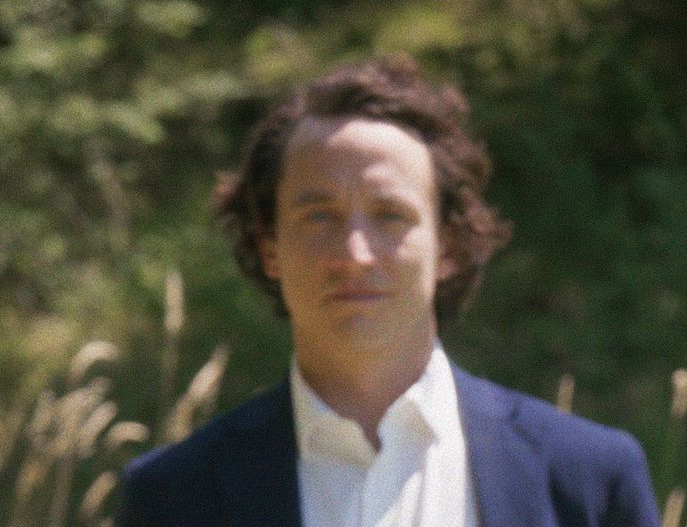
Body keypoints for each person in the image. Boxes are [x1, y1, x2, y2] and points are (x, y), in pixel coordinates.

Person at [120, 55, 659, 527]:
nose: (355, 253)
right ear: (270, 249)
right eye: (319, 217)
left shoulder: (589, 481)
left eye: (391, 215)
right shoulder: (173, 498)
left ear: (448, 245)